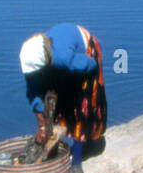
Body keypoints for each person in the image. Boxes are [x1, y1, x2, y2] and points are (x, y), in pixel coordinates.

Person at [20, 24, 108, 162]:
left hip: (86, 56)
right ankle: (54, 138)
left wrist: (74, 85)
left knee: (82, 104)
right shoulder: (30, 57)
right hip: (60, 57)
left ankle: (83, 147)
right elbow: (34, 92)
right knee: (52, 99)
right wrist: (42, 125)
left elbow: (92, 65)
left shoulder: (64, 59)